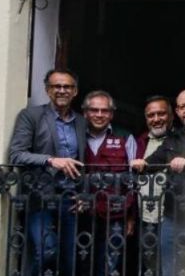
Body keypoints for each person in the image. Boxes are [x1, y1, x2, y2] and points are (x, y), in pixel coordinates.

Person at [8, 68, 87, 276]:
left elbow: (83, 162)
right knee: (46, 250)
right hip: (40, 197)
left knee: (69, 260)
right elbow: (16, 155)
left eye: (67, 86)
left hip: (70, 199)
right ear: (47, 90)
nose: (62, 90)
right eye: (56, 86)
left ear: (75, 91)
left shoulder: (81, 121)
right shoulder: (31, 115)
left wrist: (83, 193)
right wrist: (51, 160)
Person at [132, 89, 185, 276]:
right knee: (169, 269)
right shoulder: (172, 139)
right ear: (177, 112)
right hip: (171, 215)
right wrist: (140, 163)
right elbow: (151, 163)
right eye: (183, 107)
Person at [81, 90, 137, 276]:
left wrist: (131, 216)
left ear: (111, 114)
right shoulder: (75, 136)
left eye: (104, 111)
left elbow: (133, 179)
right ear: (85, 113)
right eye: (94, 110)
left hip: (116, 214)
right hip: (83, 213)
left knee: (110, 264)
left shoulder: (125, 137)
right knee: (81, 262)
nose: (99, 115)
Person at [132, 95, 174, 276]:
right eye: (151, 115)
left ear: (171, 115)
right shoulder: (139, 141)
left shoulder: (179, 140)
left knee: (172, 265)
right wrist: (130, 216)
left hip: (172, 216)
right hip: (144, 217)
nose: (156, 119)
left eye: (161, 114)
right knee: (149, 264)